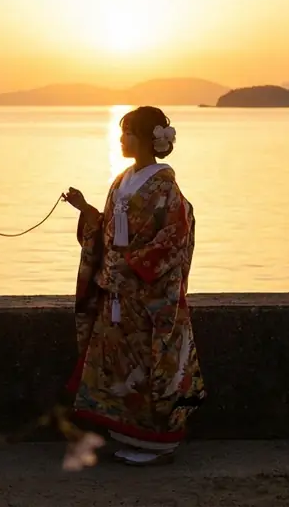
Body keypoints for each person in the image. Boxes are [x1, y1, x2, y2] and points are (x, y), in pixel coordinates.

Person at [62, 106, 206, 467]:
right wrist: (86, 211)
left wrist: (134, 264)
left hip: (146, 294)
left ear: (144, 137)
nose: (121, 138)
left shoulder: (165, 185)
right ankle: (129, 435)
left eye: (126, 132)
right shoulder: (123, 179)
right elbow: (108, 228)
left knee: (146, 364)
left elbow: (176, 234)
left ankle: (155, 441)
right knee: (121, 366)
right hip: (118, 291)